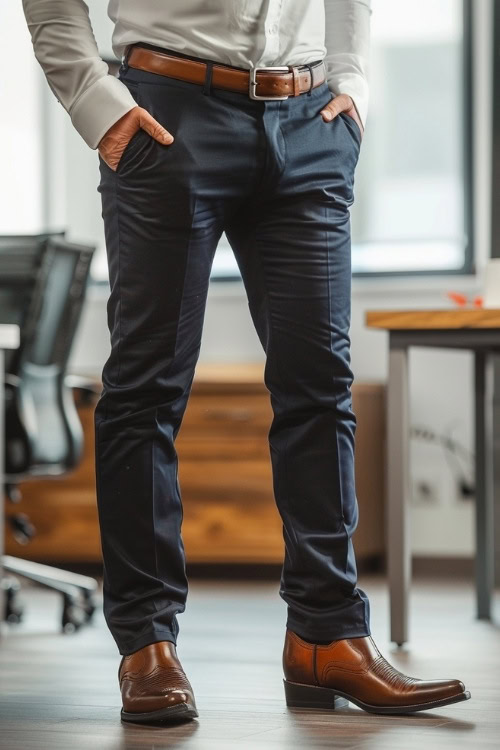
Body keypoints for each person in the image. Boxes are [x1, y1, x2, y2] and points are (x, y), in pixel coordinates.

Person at [22, 0, 470, 725]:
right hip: (167, 113)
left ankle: (329, 634)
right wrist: (95, 103)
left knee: (321, 386)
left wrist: (352, 81)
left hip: (311, 118)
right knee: (146, 392)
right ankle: (147, 646)